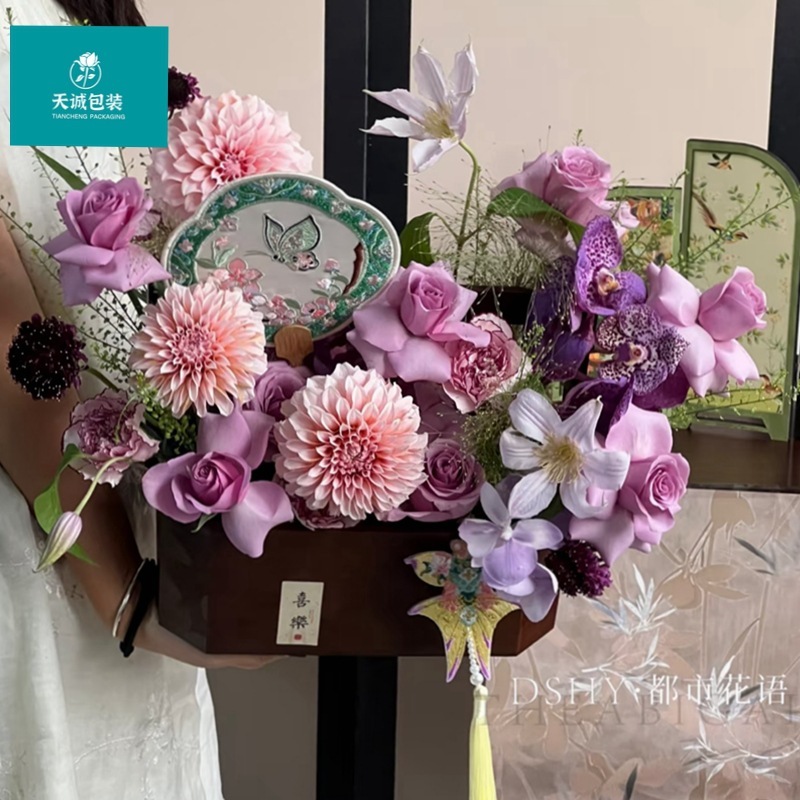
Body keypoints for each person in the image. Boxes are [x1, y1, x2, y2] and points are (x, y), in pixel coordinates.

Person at [0, 1, 275, 797]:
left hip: (114, 520)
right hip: (57, 534)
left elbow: (132, 225)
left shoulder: (77, 16)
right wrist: (128, 598)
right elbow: (10, 339)